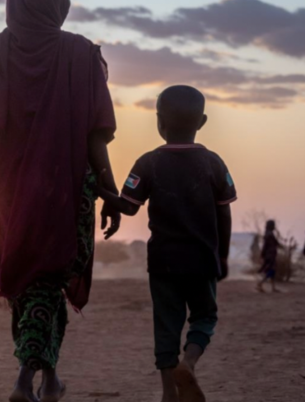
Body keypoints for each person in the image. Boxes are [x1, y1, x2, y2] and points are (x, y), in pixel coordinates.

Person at [0, 0, 118, 402]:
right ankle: (24, 377)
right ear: (60, 3)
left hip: (10, 191)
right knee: (50, 279)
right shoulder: (81, 53)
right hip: (68, 190)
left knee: (33, 281)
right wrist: (109, 191)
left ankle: (49, 379)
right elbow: (95, 135)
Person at [98, 85, 236, 402]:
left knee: (166, 324)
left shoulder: (148, 163)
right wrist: (222, 256)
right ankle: (189, 362)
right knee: (204, 317)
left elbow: (128, 205)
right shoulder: (213, 163)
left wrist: (98, 189)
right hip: (202, 259)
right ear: (201, 122)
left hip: (163, 261)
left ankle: (167, 393)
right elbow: (224, 213)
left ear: (159, 122)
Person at [256, 220, 283, 293]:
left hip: (270, 254)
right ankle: (260, 283)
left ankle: (273, 288)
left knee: (272, 271)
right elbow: (267, 245)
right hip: (270, 255)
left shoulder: (268, 234)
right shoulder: (269, 235)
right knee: (271, 270)